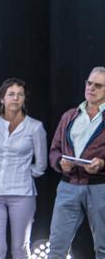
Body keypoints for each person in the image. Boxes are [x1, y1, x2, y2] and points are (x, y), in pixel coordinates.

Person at [0, 77, 47, 259]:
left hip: (22, 194)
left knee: (20, 248)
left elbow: (41, 165)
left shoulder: (35, 127)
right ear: (2, 98)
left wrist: (24, 172)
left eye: (20, 95)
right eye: (11, 94)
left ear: (24, 99)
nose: (15, 98)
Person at [48, 66, 105, 258]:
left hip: (100, 187)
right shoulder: (70, 115)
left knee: (103, 248)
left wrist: (102, 164)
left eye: (98, 85)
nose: (91, 88)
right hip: (68, 185)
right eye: (89, 83)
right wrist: (60, 163)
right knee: (56, 247)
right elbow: (55, 150)